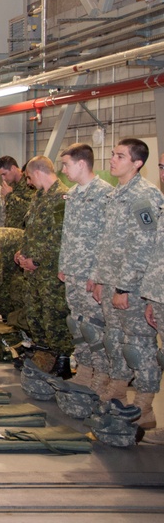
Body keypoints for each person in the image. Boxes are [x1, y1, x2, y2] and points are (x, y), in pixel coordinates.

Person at [91, 138, 164, 417]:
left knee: (138, 345)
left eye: (120, 156)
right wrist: (99, 279)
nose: (112, 160)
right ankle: (118, 387)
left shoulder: (144, 196)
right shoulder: (115, 195)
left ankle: (145, 405)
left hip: (130, 285)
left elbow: (144, 246)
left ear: (137, 163)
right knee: (115, 338)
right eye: (112, 154)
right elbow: (106, 241)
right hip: (111, 281)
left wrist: (124, 287)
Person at [57, 143, 114, 392]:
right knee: (77, 323)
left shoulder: (105, 194)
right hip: (73, 273)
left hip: (91, 274)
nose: (63, 169)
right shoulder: (73, 193)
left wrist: (97, 275)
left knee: (95, 326)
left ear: (82, 163)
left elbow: (107, 239)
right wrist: (63, 265)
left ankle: (101, 374)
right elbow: (67, 234)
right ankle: (84, 369)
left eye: (66, 164)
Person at [16, 156, 71, 378]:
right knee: (35, 313)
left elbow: (59, 237)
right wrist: (22, 252)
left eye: (29, 177)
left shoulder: (61, 197)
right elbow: (32, 230)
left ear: (37, 172)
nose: (28, 182)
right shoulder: (39, 196)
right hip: (33, 271)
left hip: (49, 270)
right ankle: (44, 354)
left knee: (54, 315)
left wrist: (36, 260)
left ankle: (63, 358)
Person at [137, 153, 164, 441]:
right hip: (158, 293)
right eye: (161, 166)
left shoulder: (148, 197)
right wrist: (151, 296)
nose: (163, 172)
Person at [0, 156, 35, 228]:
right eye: (1, 176)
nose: (3, 178)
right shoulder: (10, 184)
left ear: (13, 168)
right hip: (12, 232)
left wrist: (9, 196)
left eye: (4, 174)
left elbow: (32, 209)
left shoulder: (30, 182)